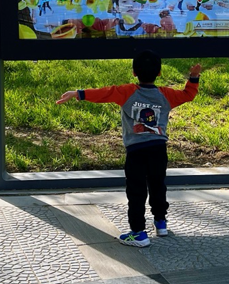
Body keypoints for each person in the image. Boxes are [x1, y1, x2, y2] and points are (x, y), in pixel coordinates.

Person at [56, 51, 202, 247]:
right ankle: (161, 222)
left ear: (134, 72)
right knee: (158, 185)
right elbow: (188, 95)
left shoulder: (127, 91)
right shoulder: (166, 94)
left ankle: (138, 233)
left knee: (136, 191)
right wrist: (193, 78)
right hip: (159, 149)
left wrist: (78, 94)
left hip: (136, 151)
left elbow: (104, 93)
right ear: (159, 73)